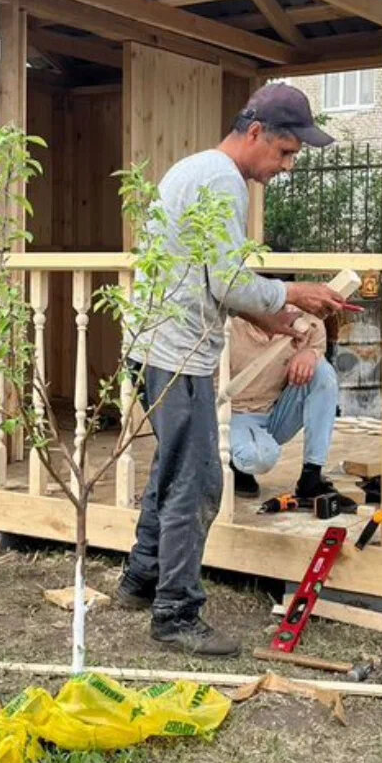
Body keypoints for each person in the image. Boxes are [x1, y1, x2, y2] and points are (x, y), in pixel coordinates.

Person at [118, 83, 353, 656]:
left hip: (157, 346)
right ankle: (175, 613)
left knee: (171, 470)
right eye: (286, 153)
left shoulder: (199, 169)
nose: (287, 166)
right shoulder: (222, 180)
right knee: (198, 481)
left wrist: (275, 319)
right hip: (175, 354)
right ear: (255, 133)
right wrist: (296, 291)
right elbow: (228, 280)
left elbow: (208, 278)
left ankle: (140, 579)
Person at [227, 311, 340, 504]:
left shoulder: (304, 321)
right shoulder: (229, 326)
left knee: (323, 372)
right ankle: (236, 463)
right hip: (234, 415)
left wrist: (310, 353)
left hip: (276, 411)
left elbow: (317, 346)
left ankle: (311, 475)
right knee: (260, 457)